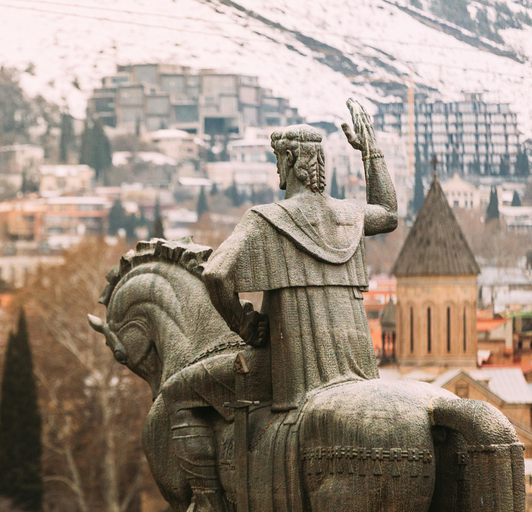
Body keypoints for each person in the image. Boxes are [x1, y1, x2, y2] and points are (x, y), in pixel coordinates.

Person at [162, 99, 397, 512]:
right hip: (356, 367)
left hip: (294, 370)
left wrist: (245, 326)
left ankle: (208, 502)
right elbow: (390, 213)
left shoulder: (266, 219)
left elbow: (215, 274)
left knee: (177, 392)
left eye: (277, 160)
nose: (275, 170)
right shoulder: (347, 215)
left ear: (289, 160)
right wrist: (370, 151)